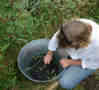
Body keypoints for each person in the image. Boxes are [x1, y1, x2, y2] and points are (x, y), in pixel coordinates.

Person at [43, 18, 99, 90]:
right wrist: (49, 54)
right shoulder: (70, 28)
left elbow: (94, 64)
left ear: (81, 44)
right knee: (60, 54)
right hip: (75, 50)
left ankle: (69, 70)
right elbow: (56, 38)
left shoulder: (97, 46)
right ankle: (67, 66)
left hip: (88, 61)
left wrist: (71, 62)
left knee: (66, 83)